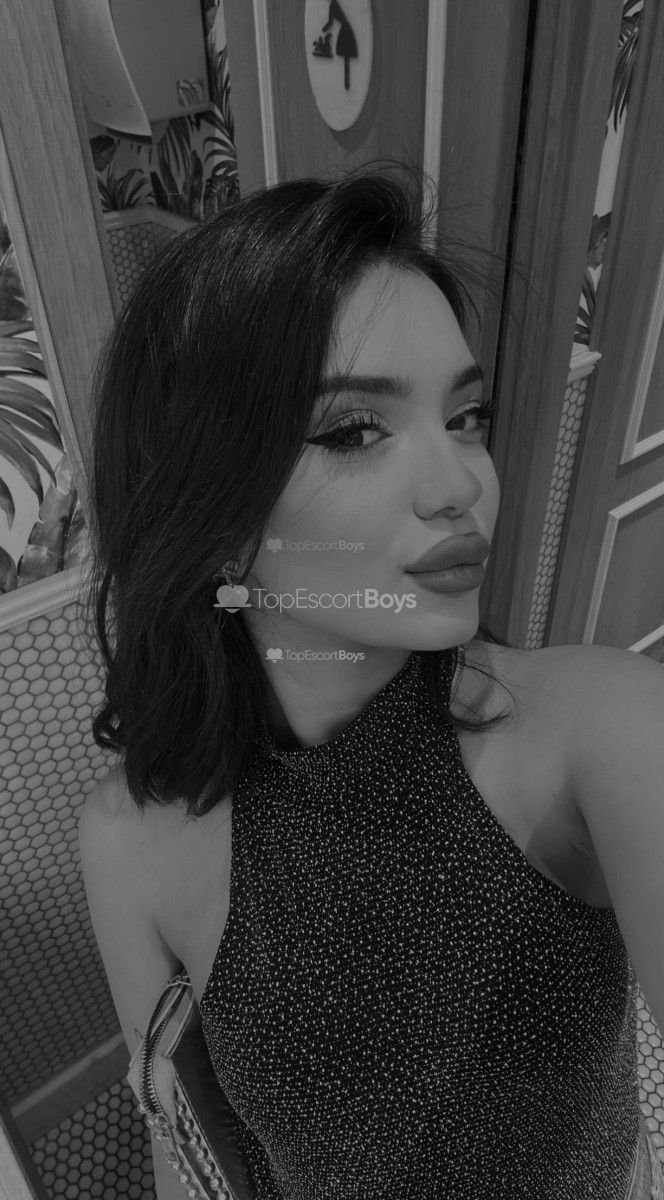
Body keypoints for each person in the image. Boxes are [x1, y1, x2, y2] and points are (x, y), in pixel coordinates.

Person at [77, 165, 664, 1199]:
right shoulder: (133, 842)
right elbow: (187, 1146)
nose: (461, 484)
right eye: (354, 431)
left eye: (467, 416)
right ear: (212, 518)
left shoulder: (594, 729)